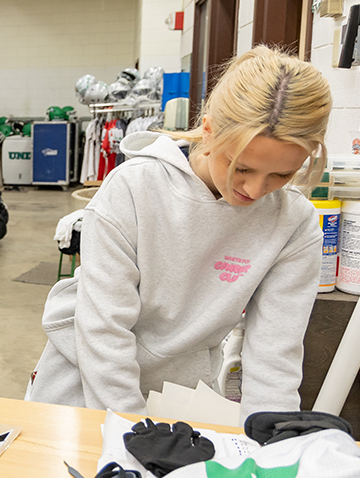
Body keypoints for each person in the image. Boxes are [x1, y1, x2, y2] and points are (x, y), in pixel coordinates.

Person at [26, 45, 331, 421]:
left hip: (181, 397)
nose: (254, 190)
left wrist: (272, 446)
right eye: (242, 168)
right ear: (209, 130)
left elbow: (275, 356)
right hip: (85, 385)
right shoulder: (134, 189)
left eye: (281, 175)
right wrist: (130, 431)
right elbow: (103, 331)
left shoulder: (292, 223)